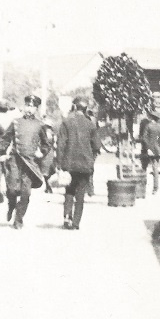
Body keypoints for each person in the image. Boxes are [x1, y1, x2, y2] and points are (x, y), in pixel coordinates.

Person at [0, 101, 50, 229]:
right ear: (24, 107)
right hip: (15, 160)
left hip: (30, 163)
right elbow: (5, 138)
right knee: (11, 190)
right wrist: (2, 152)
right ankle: (11, 205)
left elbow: (46, 144)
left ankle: (18, 219)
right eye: (27, 105)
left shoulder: (40, 125)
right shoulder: (16, 122)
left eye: (32, 107)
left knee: (25, 193)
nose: (29, 109)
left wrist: (41, 152)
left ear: (36, 109)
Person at [56, 96, 101, 229]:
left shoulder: (66, 122)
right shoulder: (90, 124)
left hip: (69, 164)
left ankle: (66, 218)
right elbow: (97, 146)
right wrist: (91, 159)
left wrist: (60, 164)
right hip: (85, 165)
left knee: (69, 191)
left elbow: (60, 144)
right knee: (80, 194)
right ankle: (76, 223)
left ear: (74, 106)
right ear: (86, 108)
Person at [141, 112, 160, 195]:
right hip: (157, 150)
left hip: (147, 150)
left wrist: (148, 147)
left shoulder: (148, 126)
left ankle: (143, 186)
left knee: (144, 168)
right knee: (155, 169)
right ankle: (155, 188)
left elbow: (144, 138)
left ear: (152, 118)